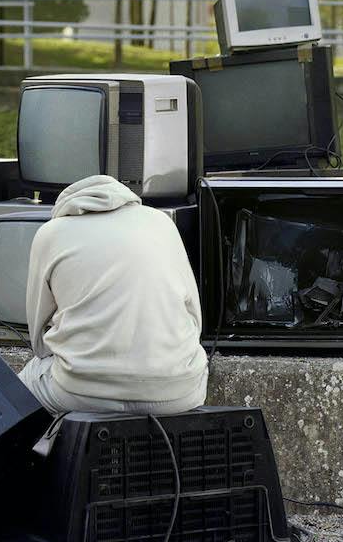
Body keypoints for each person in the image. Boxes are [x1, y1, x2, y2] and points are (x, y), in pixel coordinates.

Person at [18, 173, 208, 417]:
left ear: (65, 206)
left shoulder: (50, 233)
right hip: (180, 393)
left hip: (81, 394)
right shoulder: (161, 222)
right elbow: (195, 317)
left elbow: (38, 342)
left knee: (17, 394)